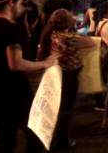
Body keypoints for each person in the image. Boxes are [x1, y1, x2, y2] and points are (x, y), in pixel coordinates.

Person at [0, 0, 57, 153]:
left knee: (5, 137)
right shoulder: (10, 28)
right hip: (14, 89)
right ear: (10, 3)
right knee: (34, 132)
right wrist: (45, 63)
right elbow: (15, 64)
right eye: (19, 3)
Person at [38, 9, 95, 150]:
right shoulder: (68, 37)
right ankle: (62, 141)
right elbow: (91, 42)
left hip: (55, 73)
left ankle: (54, 138)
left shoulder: (50, 33)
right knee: (66, 109)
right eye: (71, 17)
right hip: (68, 76)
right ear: (67, 22)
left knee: (57, 106)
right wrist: (74, 27)